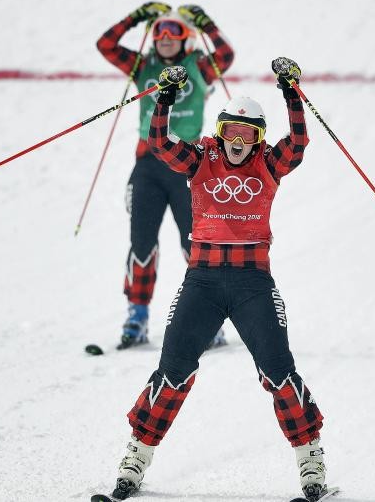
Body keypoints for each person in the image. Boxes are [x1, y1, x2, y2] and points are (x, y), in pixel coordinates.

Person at [103, 58, 330, 502]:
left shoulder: (269, 163)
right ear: (221, 132)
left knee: (278, 372)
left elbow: (299, 143)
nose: (239, 142)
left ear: (259, 139)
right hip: (202, 284)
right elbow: (160, 143)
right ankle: (136, 456)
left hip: (253, 285)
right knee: (172, 371)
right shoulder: (202, 157)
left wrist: (291, 94)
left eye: (249, 134)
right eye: (232, 132)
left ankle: (311, 460)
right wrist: (164, 98)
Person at [97, 2, 234, 349]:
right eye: (159, 31)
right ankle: (137, 317)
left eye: (175, 31)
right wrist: (135, 17)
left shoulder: (199, 68)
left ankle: (209, 320)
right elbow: (106, 46)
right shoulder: (144, 67)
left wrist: (207, 23)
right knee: (142, 244)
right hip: (148, 165)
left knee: (194, 246)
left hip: (187, 166)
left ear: (186, 39)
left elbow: (227, 53)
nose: (166, 37)